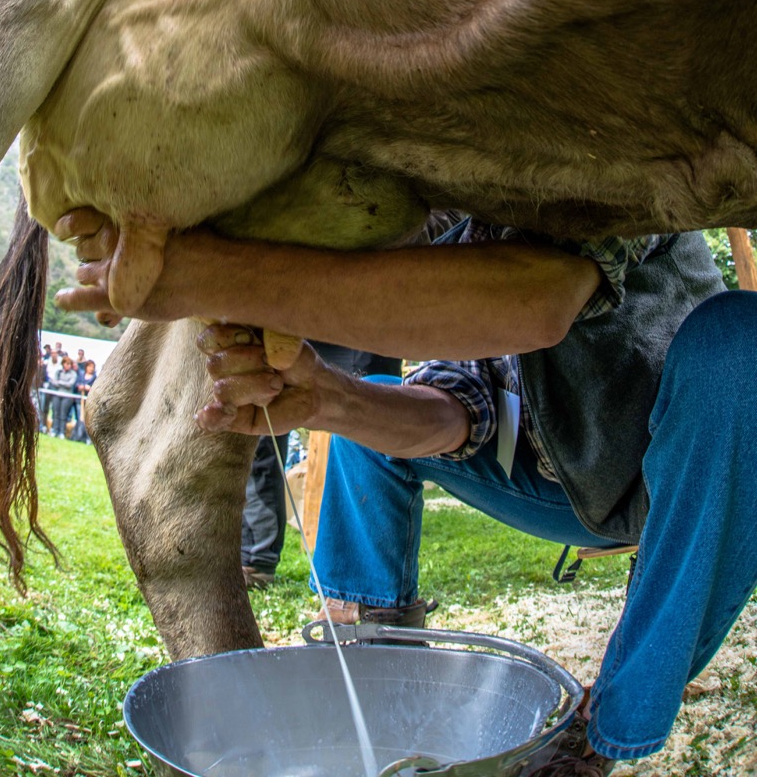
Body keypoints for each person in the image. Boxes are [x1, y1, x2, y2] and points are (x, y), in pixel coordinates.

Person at [56, 216, 757, 775]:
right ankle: (371, 662)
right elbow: (455, 414)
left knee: (739, 339)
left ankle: (596, 736)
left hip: (680, 480)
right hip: (552, 479)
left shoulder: (611, 164)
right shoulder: (446, 216)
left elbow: (537, 301)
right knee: (371, 415)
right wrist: (329, 398)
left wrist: (206, 274)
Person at [241, 344, 403, 590]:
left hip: (363, 324)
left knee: (375, 402)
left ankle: (371, 586)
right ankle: (256, 560)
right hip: (285, 325)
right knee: (262, 428)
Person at [50, 356, 78, 438]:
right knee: (56, 413)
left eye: (69, 364)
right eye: (66, 364)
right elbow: (54, 382)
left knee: (63, 415)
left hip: (67, 396)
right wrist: (63, 383)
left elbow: (70, 384)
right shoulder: (58, 372)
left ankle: (62, 432)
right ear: (63, 364)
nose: (68, 365)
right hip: (57, 395)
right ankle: (54, 430)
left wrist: (60, 382)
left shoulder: (73, 374)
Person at [70, 358, 97, 442]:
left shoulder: (95, 378)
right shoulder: (81, 375)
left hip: (89, 402)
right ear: (86, 367)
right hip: (80, 400)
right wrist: (80, 386)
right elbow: (76, 384)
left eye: (92, 367)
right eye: (89, 366)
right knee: (79, 418)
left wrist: (90, 388)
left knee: (87, 420)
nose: (91, 368)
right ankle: (77, 435)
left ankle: (86, 438)